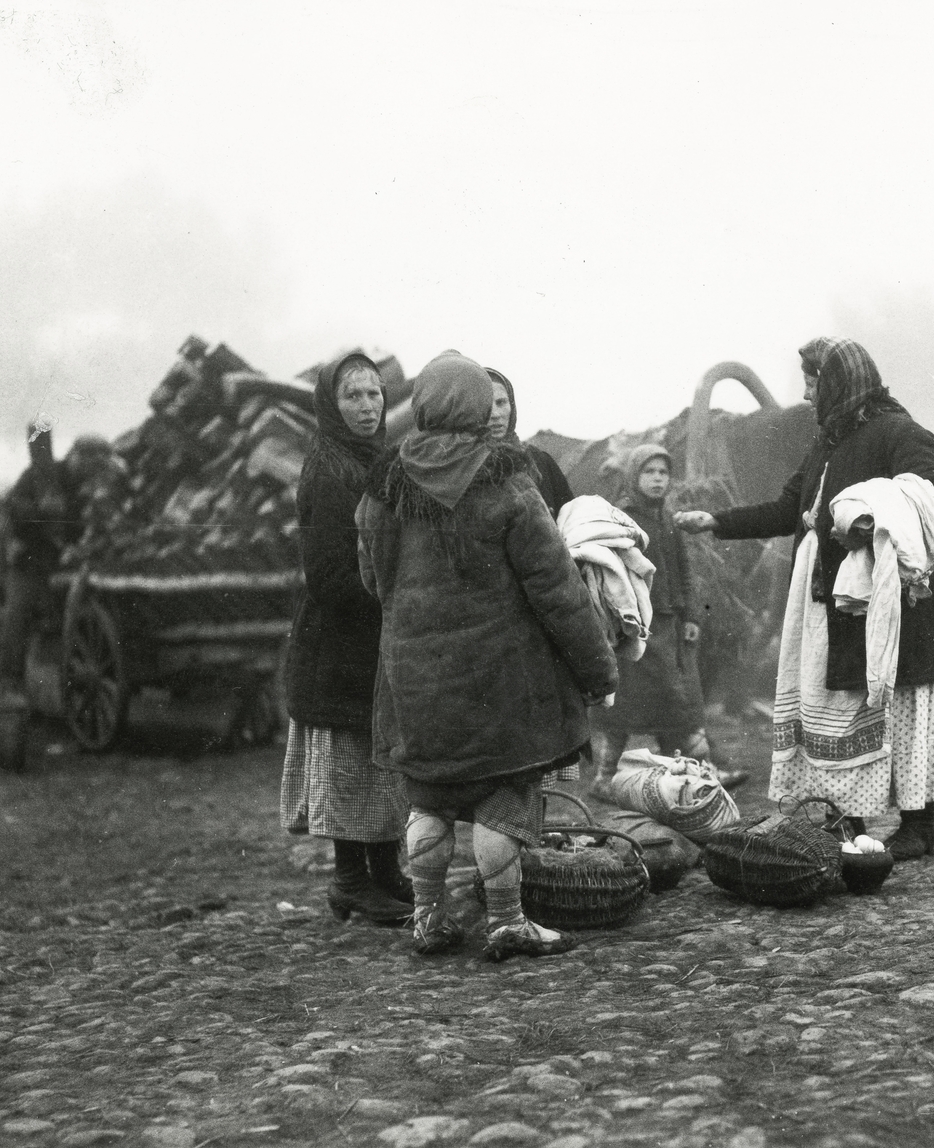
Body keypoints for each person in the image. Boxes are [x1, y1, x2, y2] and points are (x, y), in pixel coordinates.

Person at [357, 350, 617, 960]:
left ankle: (428, 918)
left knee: (429, 798)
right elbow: (558, 591)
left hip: (413, 681)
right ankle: (506, 922)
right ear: (477, 408)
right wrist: (597, 668)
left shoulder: (381, 490)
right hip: (501, 682)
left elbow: (372, 581)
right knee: (503, 799)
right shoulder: (506, 484)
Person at [677, 337, 934, 860]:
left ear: (841, 382)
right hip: (831, 599)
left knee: (899, 705)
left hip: (889, 599)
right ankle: (846, 820)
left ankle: (918, 823)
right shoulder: (827, 442)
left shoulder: (898, 432)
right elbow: (787, 508)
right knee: (834, 706)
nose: (807, 395)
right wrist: (717, 522)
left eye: (814, 383)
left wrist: (868, 519)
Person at [280, 352, 412, 926]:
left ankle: (385, 872)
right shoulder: (328, 470)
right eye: (352, 396)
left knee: (380, 764)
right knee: (351, 764)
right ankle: (351, 881)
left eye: (374, 394)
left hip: (372, 637)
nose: (367, 406)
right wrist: (392, 593)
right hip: (339, 641)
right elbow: (328, 575)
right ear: (331, 406)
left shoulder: (375, 458)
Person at [588, 444, 744, 800]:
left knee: (680, 700)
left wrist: (690, 616)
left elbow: (683, 572)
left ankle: (703, 771)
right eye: (649, 472)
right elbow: (610, 572)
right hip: (636, 626)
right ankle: (605, 776)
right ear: (634, 476)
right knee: (627, 703)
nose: (657, 479)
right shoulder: (621, 520)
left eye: (663, 472)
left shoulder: (669, 520)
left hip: (670, 625)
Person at [0, 426, 80, 685]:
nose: (40, 449)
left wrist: (64, 513)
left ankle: (61, 678)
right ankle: (10, 678)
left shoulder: (67, 476)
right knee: (18, 616)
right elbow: (13, 508)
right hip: (30, 560)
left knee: (64, 618)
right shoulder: (30, 477)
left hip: (62, 561)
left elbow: (79, 510)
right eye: (36, 444)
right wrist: (41, 510)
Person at [486, 368, 574, 517]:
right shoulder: (465, 467)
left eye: (501, 402)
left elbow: (571, 520)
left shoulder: (540, 461)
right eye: (486, 406)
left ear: (511, 405)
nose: (495, 414)